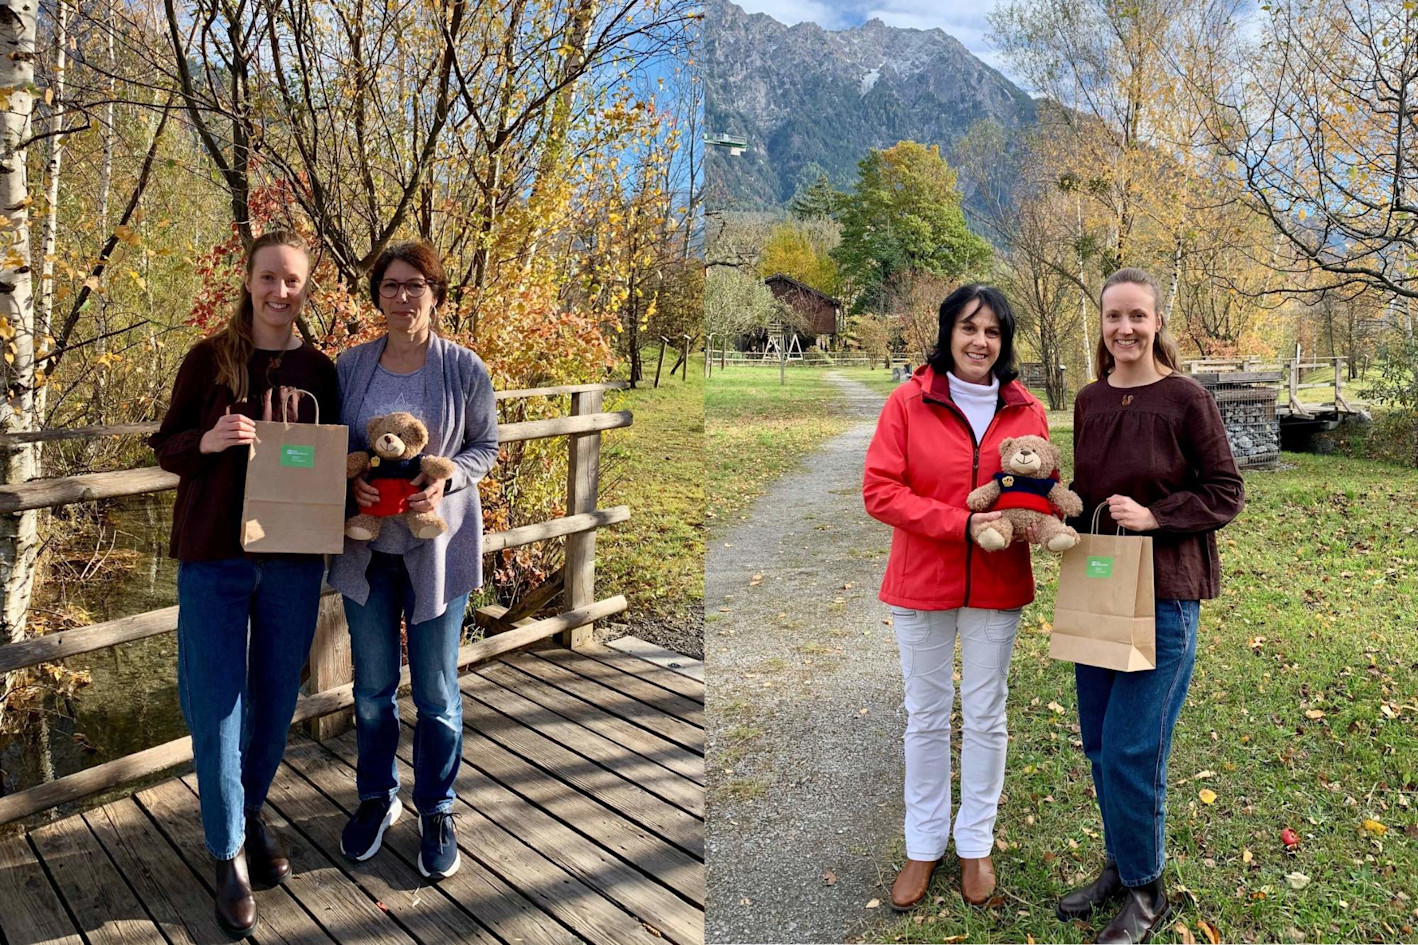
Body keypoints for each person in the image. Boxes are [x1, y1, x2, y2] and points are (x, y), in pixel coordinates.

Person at [151, 229, 339, 936]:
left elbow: (335, 460)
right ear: (249, 281)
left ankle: (250, 809)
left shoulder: (319, 370)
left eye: (292, 280)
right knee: (217, 705)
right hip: (214, 556)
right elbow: (166, 444)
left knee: (276, 698)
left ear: (306, 289)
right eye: (268, 277)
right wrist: (206, 441)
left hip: (292, 559)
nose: (279, 291)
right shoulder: (209, 359)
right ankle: (227, 849)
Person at [1056, 268, 1243, 943]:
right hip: (1100, 587)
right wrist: (1054, 513)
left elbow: (1226, 491)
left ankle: (1148, 892)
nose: (1125, 328)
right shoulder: (1089, 400)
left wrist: (1157, 515)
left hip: (1165, 596)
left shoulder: (1187, 399)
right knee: (1101, 745)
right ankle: (1123, 864)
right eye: (1114, 316)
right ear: (1102, 324)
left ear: (1158, 320)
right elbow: (1087, 489)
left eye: (1138, 315)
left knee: (1135, 747)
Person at [863, 285, 1053, 911]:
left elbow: (1041, 488)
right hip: (923, 579)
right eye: (969, 328)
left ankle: (975, 843)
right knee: (925, 715)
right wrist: (960, 524)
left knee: (986, 714)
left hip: (998, 583)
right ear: (948, 333)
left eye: (993, 331)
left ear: (1005, 342)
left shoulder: (1027, 408)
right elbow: (880, 491)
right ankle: (923, 844)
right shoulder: (908, 401)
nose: (980, 341)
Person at [327, 240, 499, 880]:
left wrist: (448, 478)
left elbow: (486, 445)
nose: (402, 297)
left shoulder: (463, 368)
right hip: (368, 552)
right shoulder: (351, 367)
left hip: (438, 552)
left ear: (436, 294)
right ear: (378, 295)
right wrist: (352, 485)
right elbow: (333, 448)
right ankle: (378, 798)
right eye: (390, 286)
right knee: (372, 690)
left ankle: (437, 807)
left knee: (436, 691)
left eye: (414, 286)